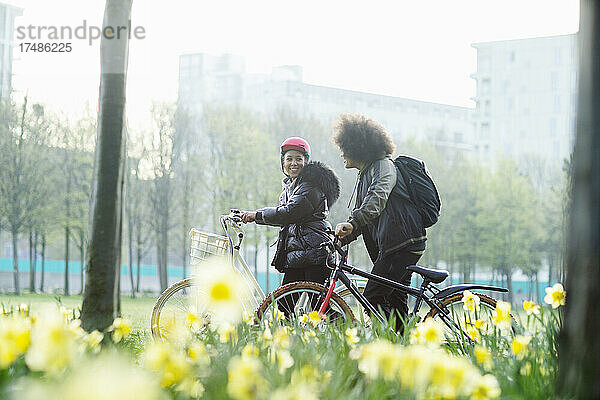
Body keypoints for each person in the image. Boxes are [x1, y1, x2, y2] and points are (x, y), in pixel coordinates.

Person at [332, 114, 426, 332]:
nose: (342, 152)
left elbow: (376, 200)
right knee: (395, 301)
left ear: (359, 147)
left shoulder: (383, 166)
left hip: (402, 243)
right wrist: (343, 237)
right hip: (395, 245)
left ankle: (387, 338)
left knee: (372, 295)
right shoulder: (365, 174)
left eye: (345, 147)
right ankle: (402, 344)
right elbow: (363, 217)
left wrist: (353, 224)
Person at [240, 137, 340, 287]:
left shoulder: (310, 186)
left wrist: (256, 215)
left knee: (318, 305)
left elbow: (288, 213)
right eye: (289, 159)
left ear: (306, 162)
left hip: (314, 253)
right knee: (284, 305)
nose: (294, 163)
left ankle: (340, 312)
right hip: (299, 254)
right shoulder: (289, 189)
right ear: (283, 163)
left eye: (298, 159)